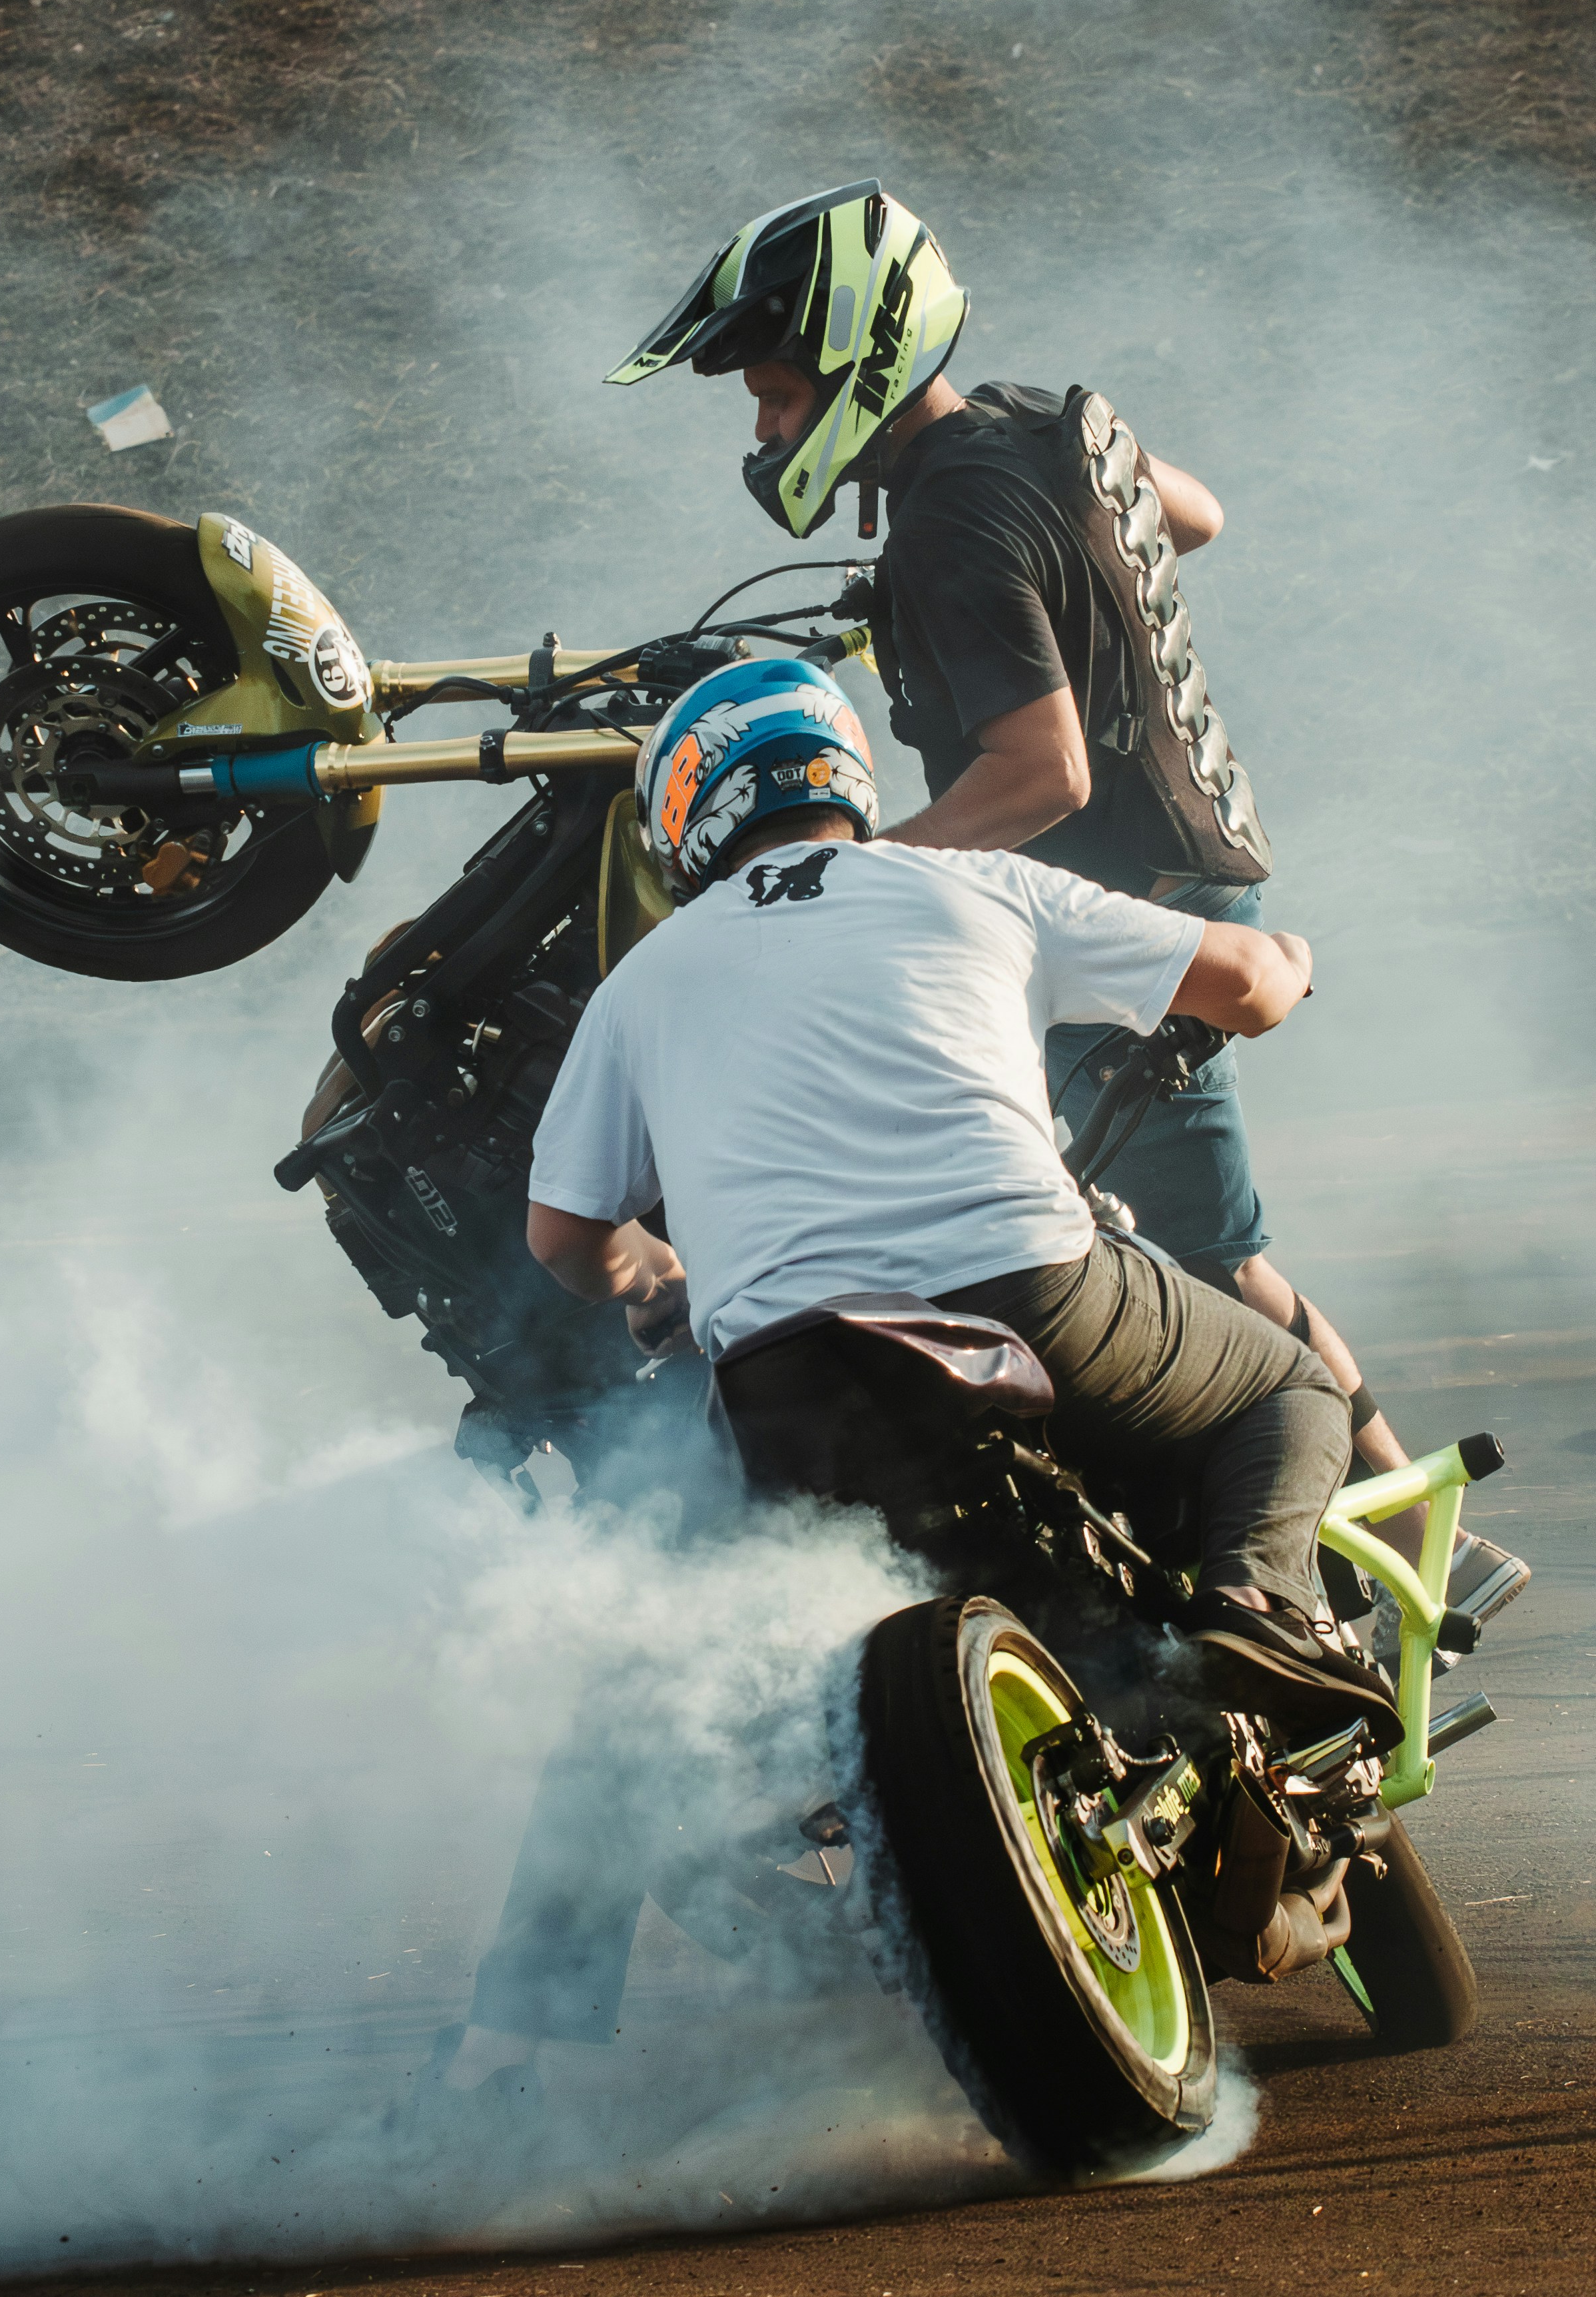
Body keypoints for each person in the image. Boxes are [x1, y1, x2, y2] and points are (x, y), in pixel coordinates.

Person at [431, 657, 1396, 2110]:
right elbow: (1247, 981)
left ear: (686, 818)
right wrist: (1297, 962)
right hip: (1035, 1292)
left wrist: (656, 1285)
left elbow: (562, 1234)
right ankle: (1254, 1598)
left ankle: (518, 2038)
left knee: (640, 1680)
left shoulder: (645, 980)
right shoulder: (964, 883)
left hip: (781, 1383)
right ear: (840, 772)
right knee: (1283, 1395)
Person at [605, 178, 1525, 1615]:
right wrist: (1074, 566)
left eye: (777, 397)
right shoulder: (1030, 427)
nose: (765, 433)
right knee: (1165, 1237)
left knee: (1192, 1254)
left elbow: (1039, 772)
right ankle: (1383, 1530)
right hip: (1191, 855)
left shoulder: (948, 528)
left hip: (1116, 901)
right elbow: (1190, 513)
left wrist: (861, 876)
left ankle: (1393, 1549)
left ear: (858, 361)